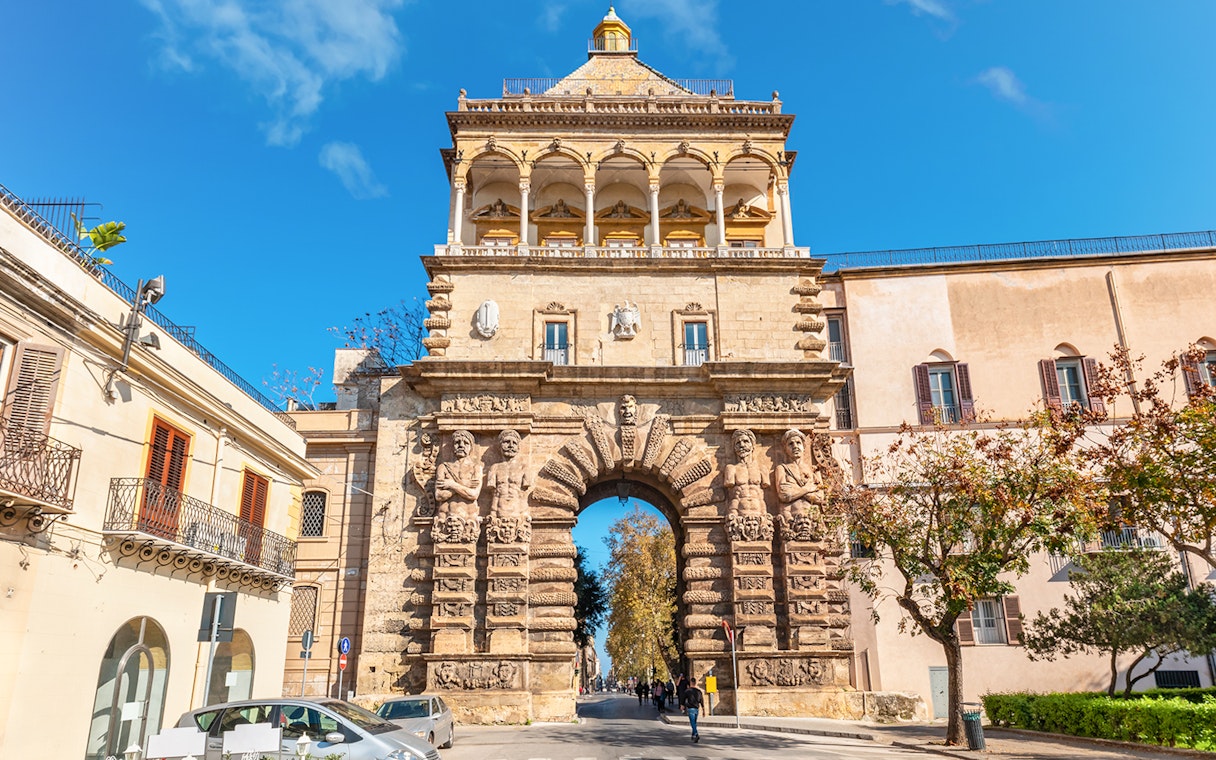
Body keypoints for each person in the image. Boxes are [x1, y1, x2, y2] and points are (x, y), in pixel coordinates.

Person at [683, 676, 704, 742]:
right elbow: (701, 700)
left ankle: (696, 734)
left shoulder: (687, 691)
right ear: (695, 683)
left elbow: (683, 698)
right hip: (697, 709)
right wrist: (704, 710)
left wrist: (682, 705)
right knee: (694, 722)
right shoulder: (699, 691)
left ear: (691, 683)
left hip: (691, 708)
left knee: (693, 723)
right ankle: (693, 736)